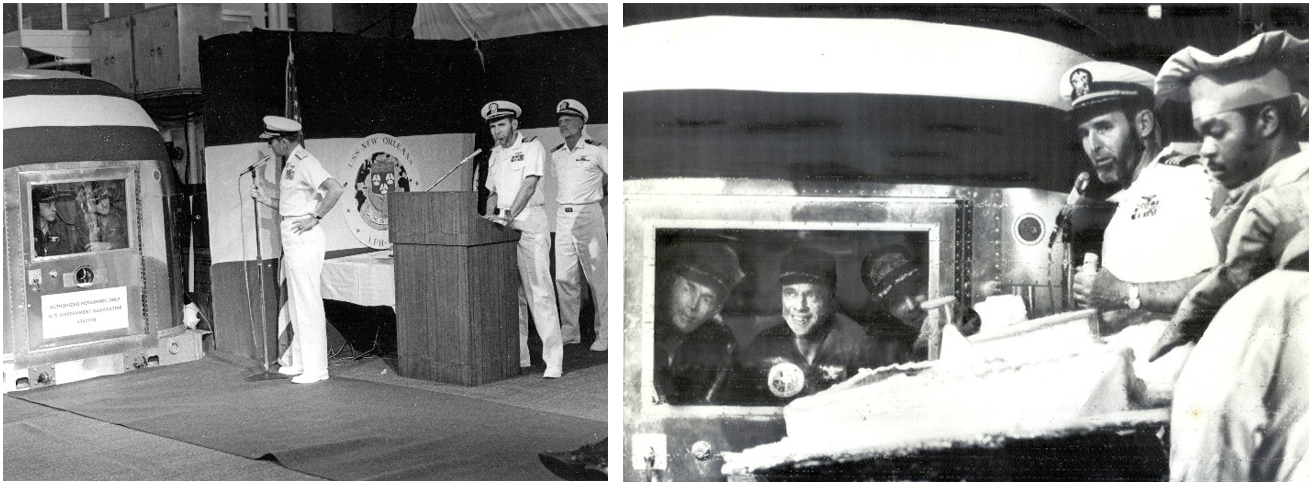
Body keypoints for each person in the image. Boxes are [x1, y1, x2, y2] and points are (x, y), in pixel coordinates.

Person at [1147, 30, 1308, 481]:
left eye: (1217, 132)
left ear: (1268, 122)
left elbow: (1212, 420)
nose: (1205, 151)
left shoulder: (1277, 262)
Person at [1058, 61, 1224, 401]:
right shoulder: (1129, 198)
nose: (1093, 145)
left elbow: (1220, 284)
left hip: (1183, 394)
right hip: (1139, 390)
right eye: (1085, 133)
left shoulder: (1185, 180)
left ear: (1144, 124)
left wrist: (1125, 294)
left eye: (1104, 127)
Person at [250, 115, 345, 384]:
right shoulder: (291, 164)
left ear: (283, 141)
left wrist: (316, 216)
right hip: (293, 236)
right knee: (298, 303)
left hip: (305, 239)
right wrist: (265, 198)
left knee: (308, 303)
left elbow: (335, 189)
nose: (270, 147)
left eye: (271, 142)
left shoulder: (306, 162)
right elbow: (292, 204)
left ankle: (316, 368)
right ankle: (302, 362)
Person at [481, 100, 564, 379]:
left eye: (501, 124)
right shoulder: (494, 155)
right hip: (503, 227)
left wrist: (507, 216)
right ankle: (521, 356)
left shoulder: (531, 147)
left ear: (515, 124)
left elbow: (529, 186)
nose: (496, 130)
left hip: (529, 223)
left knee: (539, 292)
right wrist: (489, 217)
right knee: (512, 295)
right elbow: (492, 193)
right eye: (492, 126)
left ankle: (554, 359)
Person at [738, 248, 881, 405]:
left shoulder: (857, 343)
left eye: (812, 295)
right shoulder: (764, 345)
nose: (800, 306)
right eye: (791, 293)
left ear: (831, 297)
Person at [653, 242, 745, 405]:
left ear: (717, 308)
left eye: (707, 298)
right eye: (688, 289)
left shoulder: (723, 345)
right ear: (671, 283)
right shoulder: (639, 321)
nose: (693, 305)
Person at [550, 99, 609, 352]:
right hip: (563, 216)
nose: (563, 124)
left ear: (582, 122)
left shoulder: (597, 150)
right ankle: (570, 332)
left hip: (589, 216)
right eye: (560, 121)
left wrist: (598, 192)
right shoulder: (556, 154)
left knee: (598, 278)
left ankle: (605, 334)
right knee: (564, 277)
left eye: (569, 119)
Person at [858, 245, 941, 364]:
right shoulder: (887, 351)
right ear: (886, 310)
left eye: (915, 291)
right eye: (897, 300)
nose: (912, 306)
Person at [32, 186, 85, 257]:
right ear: (36, 206)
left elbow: (66, 255)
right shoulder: (28, 230)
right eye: (48, 205)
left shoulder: (59, 227)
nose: (54, 209)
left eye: (54, 204)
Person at [86, 185, 129, 252]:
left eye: (105, 198)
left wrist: (109, 246)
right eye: (97, 202)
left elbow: (133, 243)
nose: (104, 204)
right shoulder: (88, 219)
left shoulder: (121, 216)